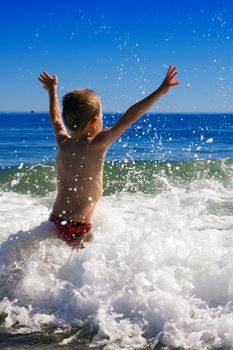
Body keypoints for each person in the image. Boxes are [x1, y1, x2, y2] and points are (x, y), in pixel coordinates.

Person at [38, 65, 179, 248]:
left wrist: (52, 91)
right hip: (80, 225)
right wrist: (160, 91)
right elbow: (131, 115)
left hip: (55, 220)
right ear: (95, 121)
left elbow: (56, 119)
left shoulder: (63, 142)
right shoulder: (98, 144)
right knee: (79, 270)